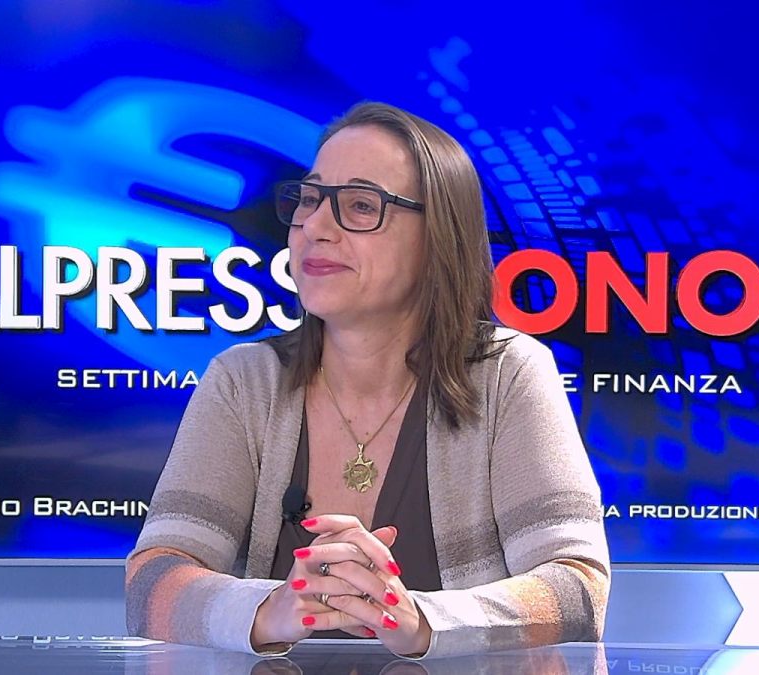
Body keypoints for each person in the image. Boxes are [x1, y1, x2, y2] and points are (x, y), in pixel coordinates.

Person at [125, 101, 610, 659]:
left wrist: (424, 622)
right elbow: (152, 582)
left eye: (360, 205)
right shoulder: (243, 381)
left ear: (439, 236)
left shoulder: (508, 374)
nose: (315, 228)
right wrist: (267, 609)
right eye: (309, 199)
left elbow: (578, 590)